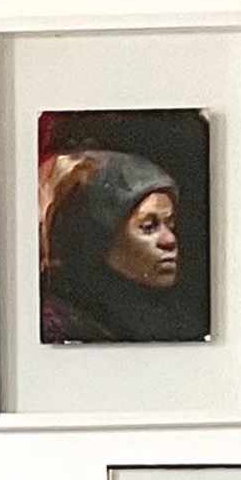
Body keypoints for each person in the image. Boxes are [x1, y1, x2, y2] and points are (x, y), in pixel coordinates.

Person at [38, 146, 194, 345]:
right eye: (148, 227)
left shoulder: (168, 319)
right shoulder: (60, 328)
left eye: (170, 224)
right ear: (98, 238)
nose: (169, 240)